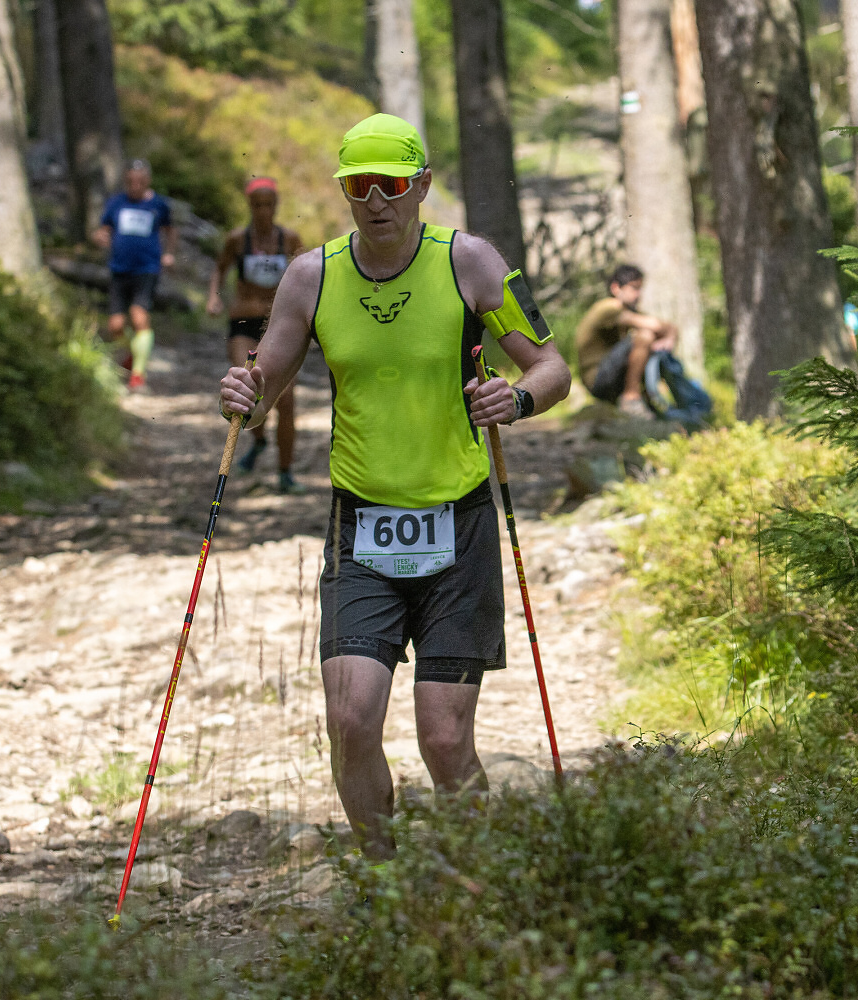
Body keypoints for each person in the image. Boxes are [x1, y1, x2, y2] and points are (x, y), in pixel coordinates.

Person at [218, 114, 571, 860]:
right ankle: (387, 884)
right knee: (351, 723)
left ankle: (476, 881)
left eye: (392, 184)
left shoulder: (470, 263)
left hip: (459, 526)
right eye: (358, 186)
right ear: (344, 191)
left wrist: (517, 399)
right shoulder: (311, 276)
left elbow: (552, 368)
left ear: (422, 185)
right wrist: (243, 398)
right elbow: (264, 389)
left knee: (443, 740)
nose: (376, 200)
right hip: (361, 529)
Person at [207, 177, 308, 494]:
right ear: (250, 206)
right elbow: (219, 269)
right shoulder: (237, 240)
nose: (264, 211)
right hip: (243, 324)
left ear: (276, 205)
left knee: (286, 400)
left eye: (269, 205)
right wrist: (213, 298)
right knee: (246, 389)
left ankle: (286, 472)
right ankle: (259, 439)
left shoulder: (289, 240)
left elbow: (308, 275)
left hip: (279, 326)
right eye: (258, 205)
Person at [93, 159, 177, 392]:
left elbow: (170, 230)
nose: (135, 186)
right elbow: (104, 229)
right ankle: (134, 353)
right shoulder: (116, 203)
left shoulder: (158, 205)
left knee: (139, 317)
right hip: (119, 269)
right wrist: (99, 237)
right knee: (115, 326)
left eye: (140, 181)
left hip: (147, 269)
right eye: (130, 181)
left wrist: (169, 254)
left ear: (147, 180)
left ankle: (138, 375)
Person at [574, 264, 678, 417]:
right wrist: (666, 334)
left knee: (652, 342)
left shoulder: (628, 310)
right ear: (616, 288)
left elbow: (667, 327)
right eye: (634, 288)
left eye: (640, 288)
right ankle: (630, 399)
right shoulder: (608, 308)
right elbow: (655, 325)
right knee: (644, 337)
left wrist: (669, 337)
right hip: (598, 379)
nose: (639, 294)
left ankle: (650, 399)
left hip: (612, 377)